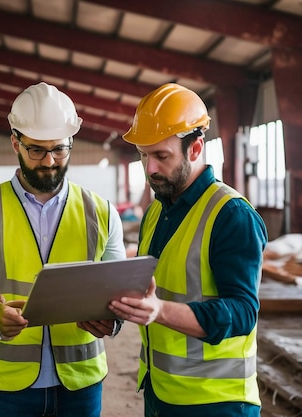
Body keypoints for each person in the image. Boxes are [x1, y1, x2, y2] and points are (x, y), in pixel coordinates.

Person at [0, 82, 127, 417]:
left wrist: (113, 319)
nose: (49, 161)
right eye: (36, 150)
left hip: (80, 382)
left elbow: (117, 287)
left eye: (59, 150)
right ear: (15, 143)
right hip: (7, 386)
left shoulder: (102, 212)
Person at [109, 83, 268, 417]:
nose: (149, 168)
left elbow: (241, 313)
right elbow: (150, 287)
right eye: (143, 155)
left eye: (161, 156)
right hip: (159, 391)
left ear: (196, 149)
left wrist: (160, 311)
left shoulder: (231, 215)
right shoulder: (156, 211)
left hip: (216, 402)